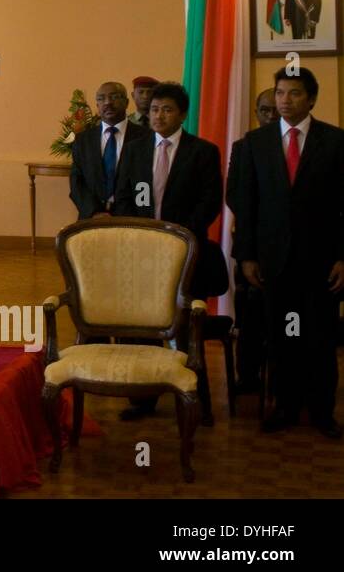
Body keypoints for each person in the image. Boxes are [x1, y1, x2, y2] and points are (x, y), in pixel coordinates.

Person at [232, 66, 344, 438]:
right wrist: (246, 255)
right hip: (273, 260)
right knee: (282, 335)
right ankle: (285, 404)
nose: (285, 100)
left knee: (321, 336)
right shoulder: (254, 143)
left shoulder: (335, 142)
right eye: (280, 93)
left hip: (322, 262)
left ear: (311, 99)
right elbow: (243, 204)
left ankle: (322, 409)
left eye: (294, 93)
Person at [112, 81, 226, 423]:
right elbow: (125, 198)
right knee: (141, 326)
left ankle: (194, 399)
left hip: (188, 255)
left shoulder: (202, 152)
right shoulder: (134, 150)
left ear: (183, 114)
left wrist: (177, 237)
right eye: (154, 109)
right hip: (142, 254)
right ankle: (143, 398)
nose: (158, 116)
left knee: (188, 330)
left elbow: (209, 202)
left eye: (167, 110)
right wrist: (146, 235)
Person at [227, 87, 278, 393]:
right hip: (253, 248)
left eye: (275, 109)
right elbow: (235, 195)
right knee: (250, 319)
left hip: (295, 252)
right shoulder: (244, 146)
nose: (271, 115)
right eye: (264, 110)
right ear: (256, 113)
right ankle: (247, 377)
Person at [69, 81, 148, 219]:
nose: (107, 103)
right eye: (101, 99)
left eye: (114, 97)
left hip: (131, 220)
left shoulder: (145, 137)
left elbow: (145, 182)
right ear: (97, 105)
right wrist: (94, 212)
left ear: (127, 102)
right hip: (92, 218)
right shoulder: (83, 140)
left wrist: (140, 216)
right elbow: (77, 183)